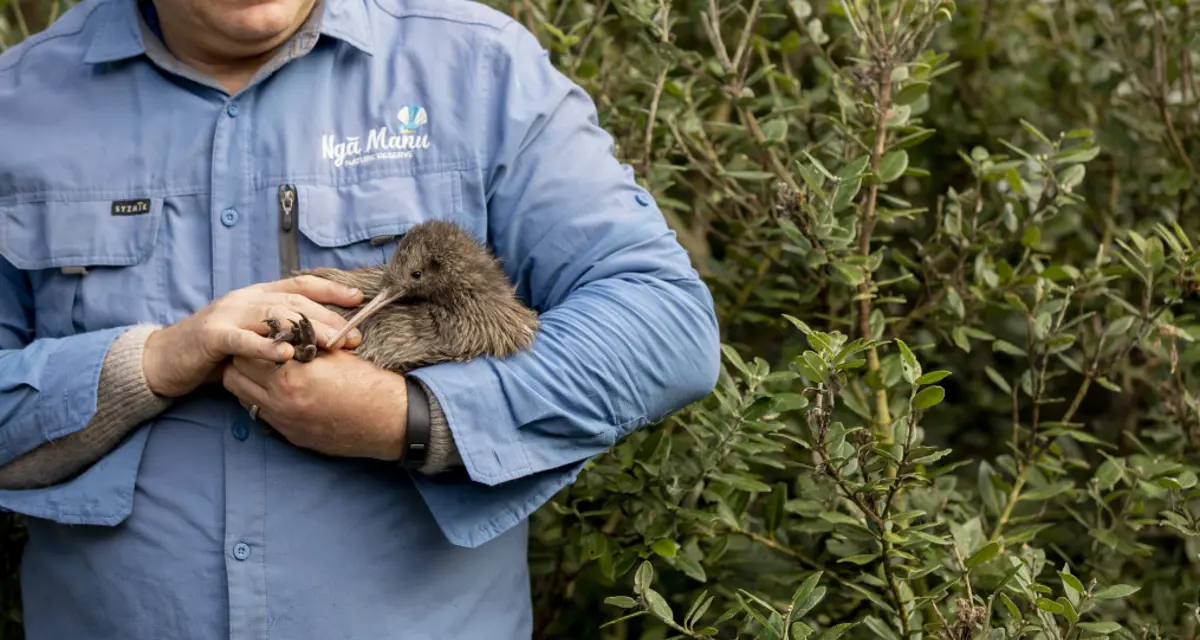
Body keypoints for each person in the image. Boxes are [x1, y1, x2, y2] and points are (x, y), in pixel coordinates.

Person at [0, 0, 721, 637]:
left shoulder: (475, 71)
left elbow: (665, 324)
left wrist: (411, 418)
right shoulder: (18, 104)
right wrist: (154, 361)